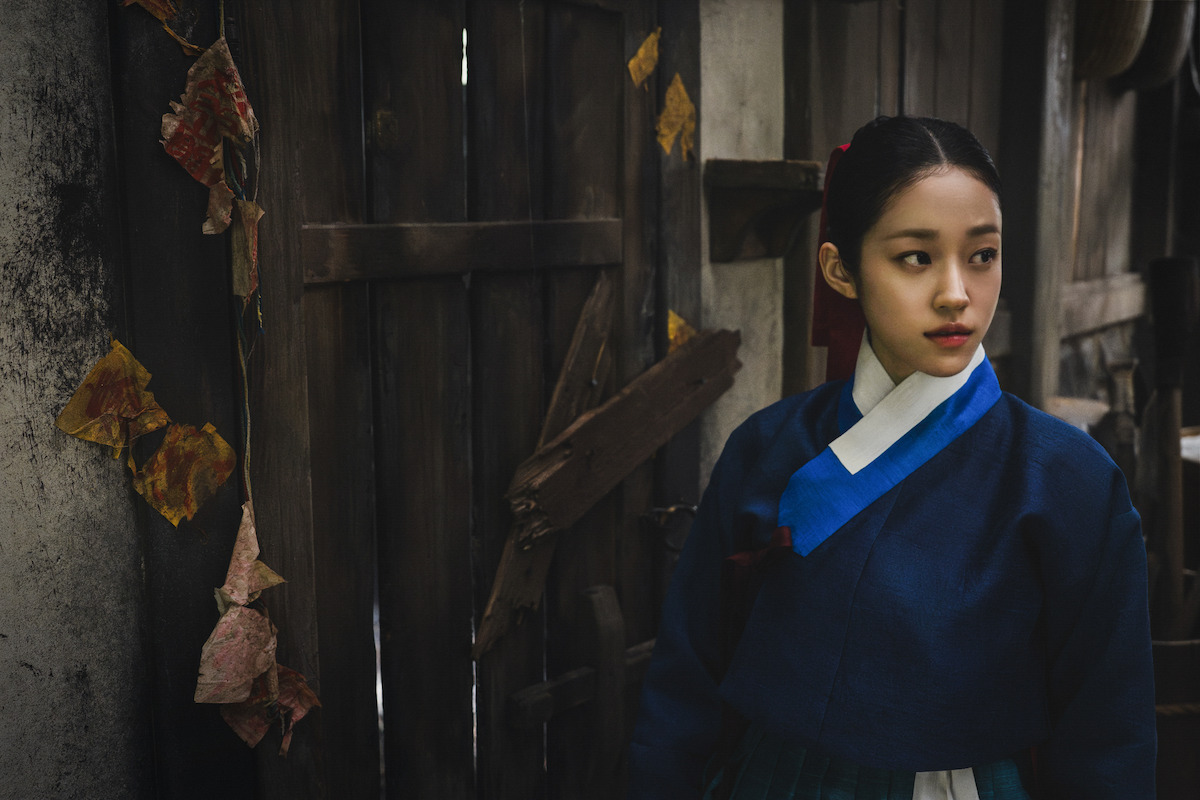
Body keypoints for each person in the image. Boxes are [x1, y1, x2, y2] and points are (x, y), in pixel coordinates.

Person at [627, 115, 1156, 800]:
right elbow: (686, 682)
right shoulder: (766, 448)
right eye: (916, 257)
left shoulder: (1067, 481)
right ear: (841, 269)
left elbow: (1108, 736)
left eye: (982, 255)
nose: (956, 294)